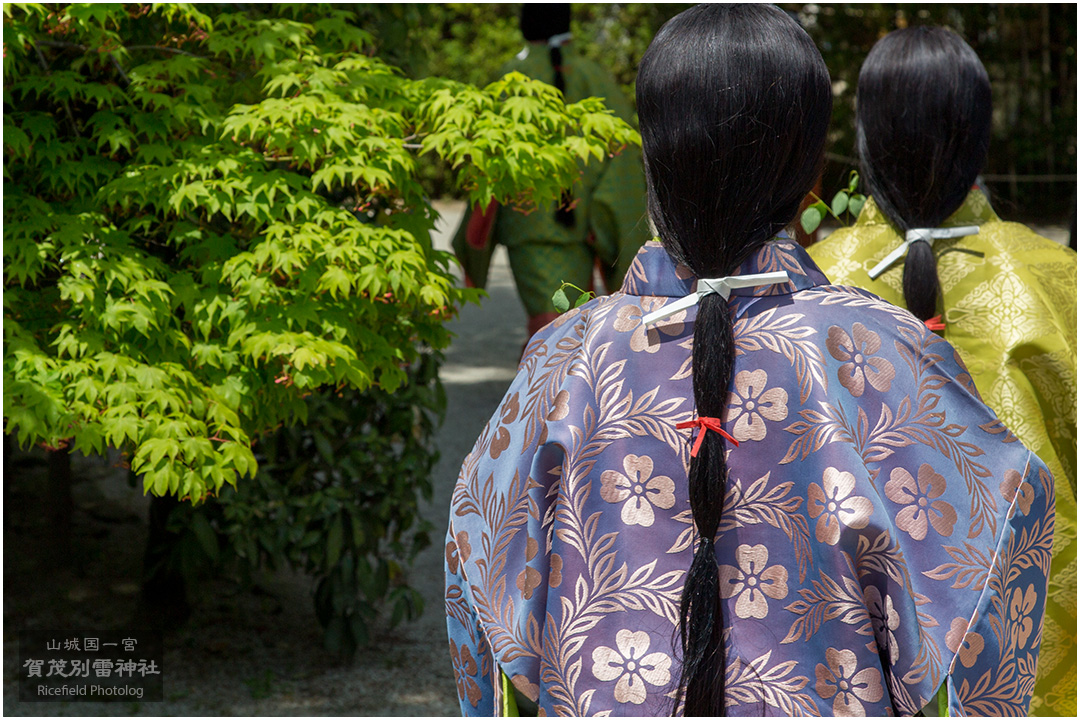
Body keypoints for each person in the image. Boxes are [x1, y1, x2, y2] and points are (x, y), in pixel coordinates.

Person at [446, 5, 1053, 716]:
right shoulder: (882, 354)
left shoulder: (566, 360)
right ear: (806, 177)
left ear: (654, 164)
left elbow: (481, 578)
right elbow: (1002, 531)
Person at [808, 26, 1075, 715]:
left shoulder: (811, 283)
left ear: (864, 138)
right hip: (1030, 649)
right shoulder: (1053, 280)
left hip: (851, 653)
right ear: (978, 135)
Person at [452, 4, 651, 340]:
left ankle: (544, 391)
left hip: (526, 226)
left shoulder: (511, 78)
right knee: (570, 325)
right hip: (581, 225)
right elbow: (623, 158)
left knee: (550, 330)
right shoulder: (594, 75)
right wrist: (605, 220)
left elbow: (486, 158)